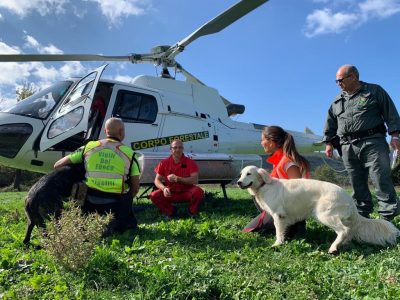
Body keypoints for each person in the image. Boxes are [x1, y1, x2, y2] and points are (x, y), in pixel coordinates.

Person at [323, 64, 400, 221]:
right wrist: (329, 143)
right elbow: (330, 123)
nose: (338, 83)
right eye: (336, 81)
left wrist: (395, 136)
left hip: (373, 143)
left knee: (380, 178)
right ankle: (361, 217)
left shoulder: (374, 91)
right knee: (356, 182)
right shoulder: (337, 101)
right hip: (347, 146)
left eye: (340, 80)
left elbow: (391, 113)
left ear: (353, 77)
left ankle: (388, 219)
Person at [54, 117, 140, 233]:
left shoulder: (88, 147)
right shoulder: (130, 154)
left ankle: (83, 220)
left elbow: (57, 165)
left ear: (106, 131)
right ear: (121, 132)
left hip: (89, 202)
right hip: (116, 204)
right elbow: (135, 188)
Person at [243, 126, 310, 236]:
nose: (261, 143)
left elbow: (299, 191)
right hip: (281, 208)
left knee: (251, 230)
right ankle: (286, 226)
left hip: (291, 211)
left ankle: (296, 227)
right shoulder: (278, 161)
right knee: (249, 229)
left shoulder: (287, 162)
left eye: (262, 140)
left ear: (271, 142)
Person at [150, 139, 204, 218]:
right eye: (175, 147)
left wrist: (178, 179)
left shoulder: (190, 162)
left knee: (198, 192)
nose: (178, 149)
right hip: (171, 193)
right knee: (154, 195)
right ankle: (171, 212)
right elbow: (157, 180)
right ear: (171, 150)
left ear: (183, 149)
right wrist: (164, 188)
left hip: (187, 192)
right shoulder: (164, 163)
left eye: (180, 147)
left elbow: (195, 179)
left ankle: (192, 212)